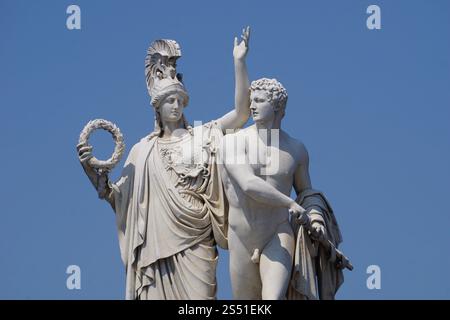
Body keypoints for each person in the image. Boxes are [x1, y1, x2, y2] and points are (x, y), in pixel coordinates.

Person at [77, 27, 251, 300]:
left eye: (179, 100)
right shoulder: (142, 151)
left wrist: (239, 62)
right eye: (169, 101)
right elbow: (120, 199)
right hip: (156, 246)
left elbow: (242, 114)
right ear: (157, 107)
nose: (175, 106)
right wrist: (92, 173)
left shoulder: (202, 134)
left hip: (197, 240)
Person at [220, 78, 343, 300]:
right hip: (241, 239)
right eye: (251, 100)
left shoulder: (296, 150)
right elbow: (248, 184)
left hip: (277, 234)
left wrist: (315, 219)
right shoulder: (233, 142)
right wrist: (289, 203)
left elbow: (307, 194)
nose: (252, 106)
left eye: (259, 100)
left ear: (277, 106)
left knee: (273, 298)